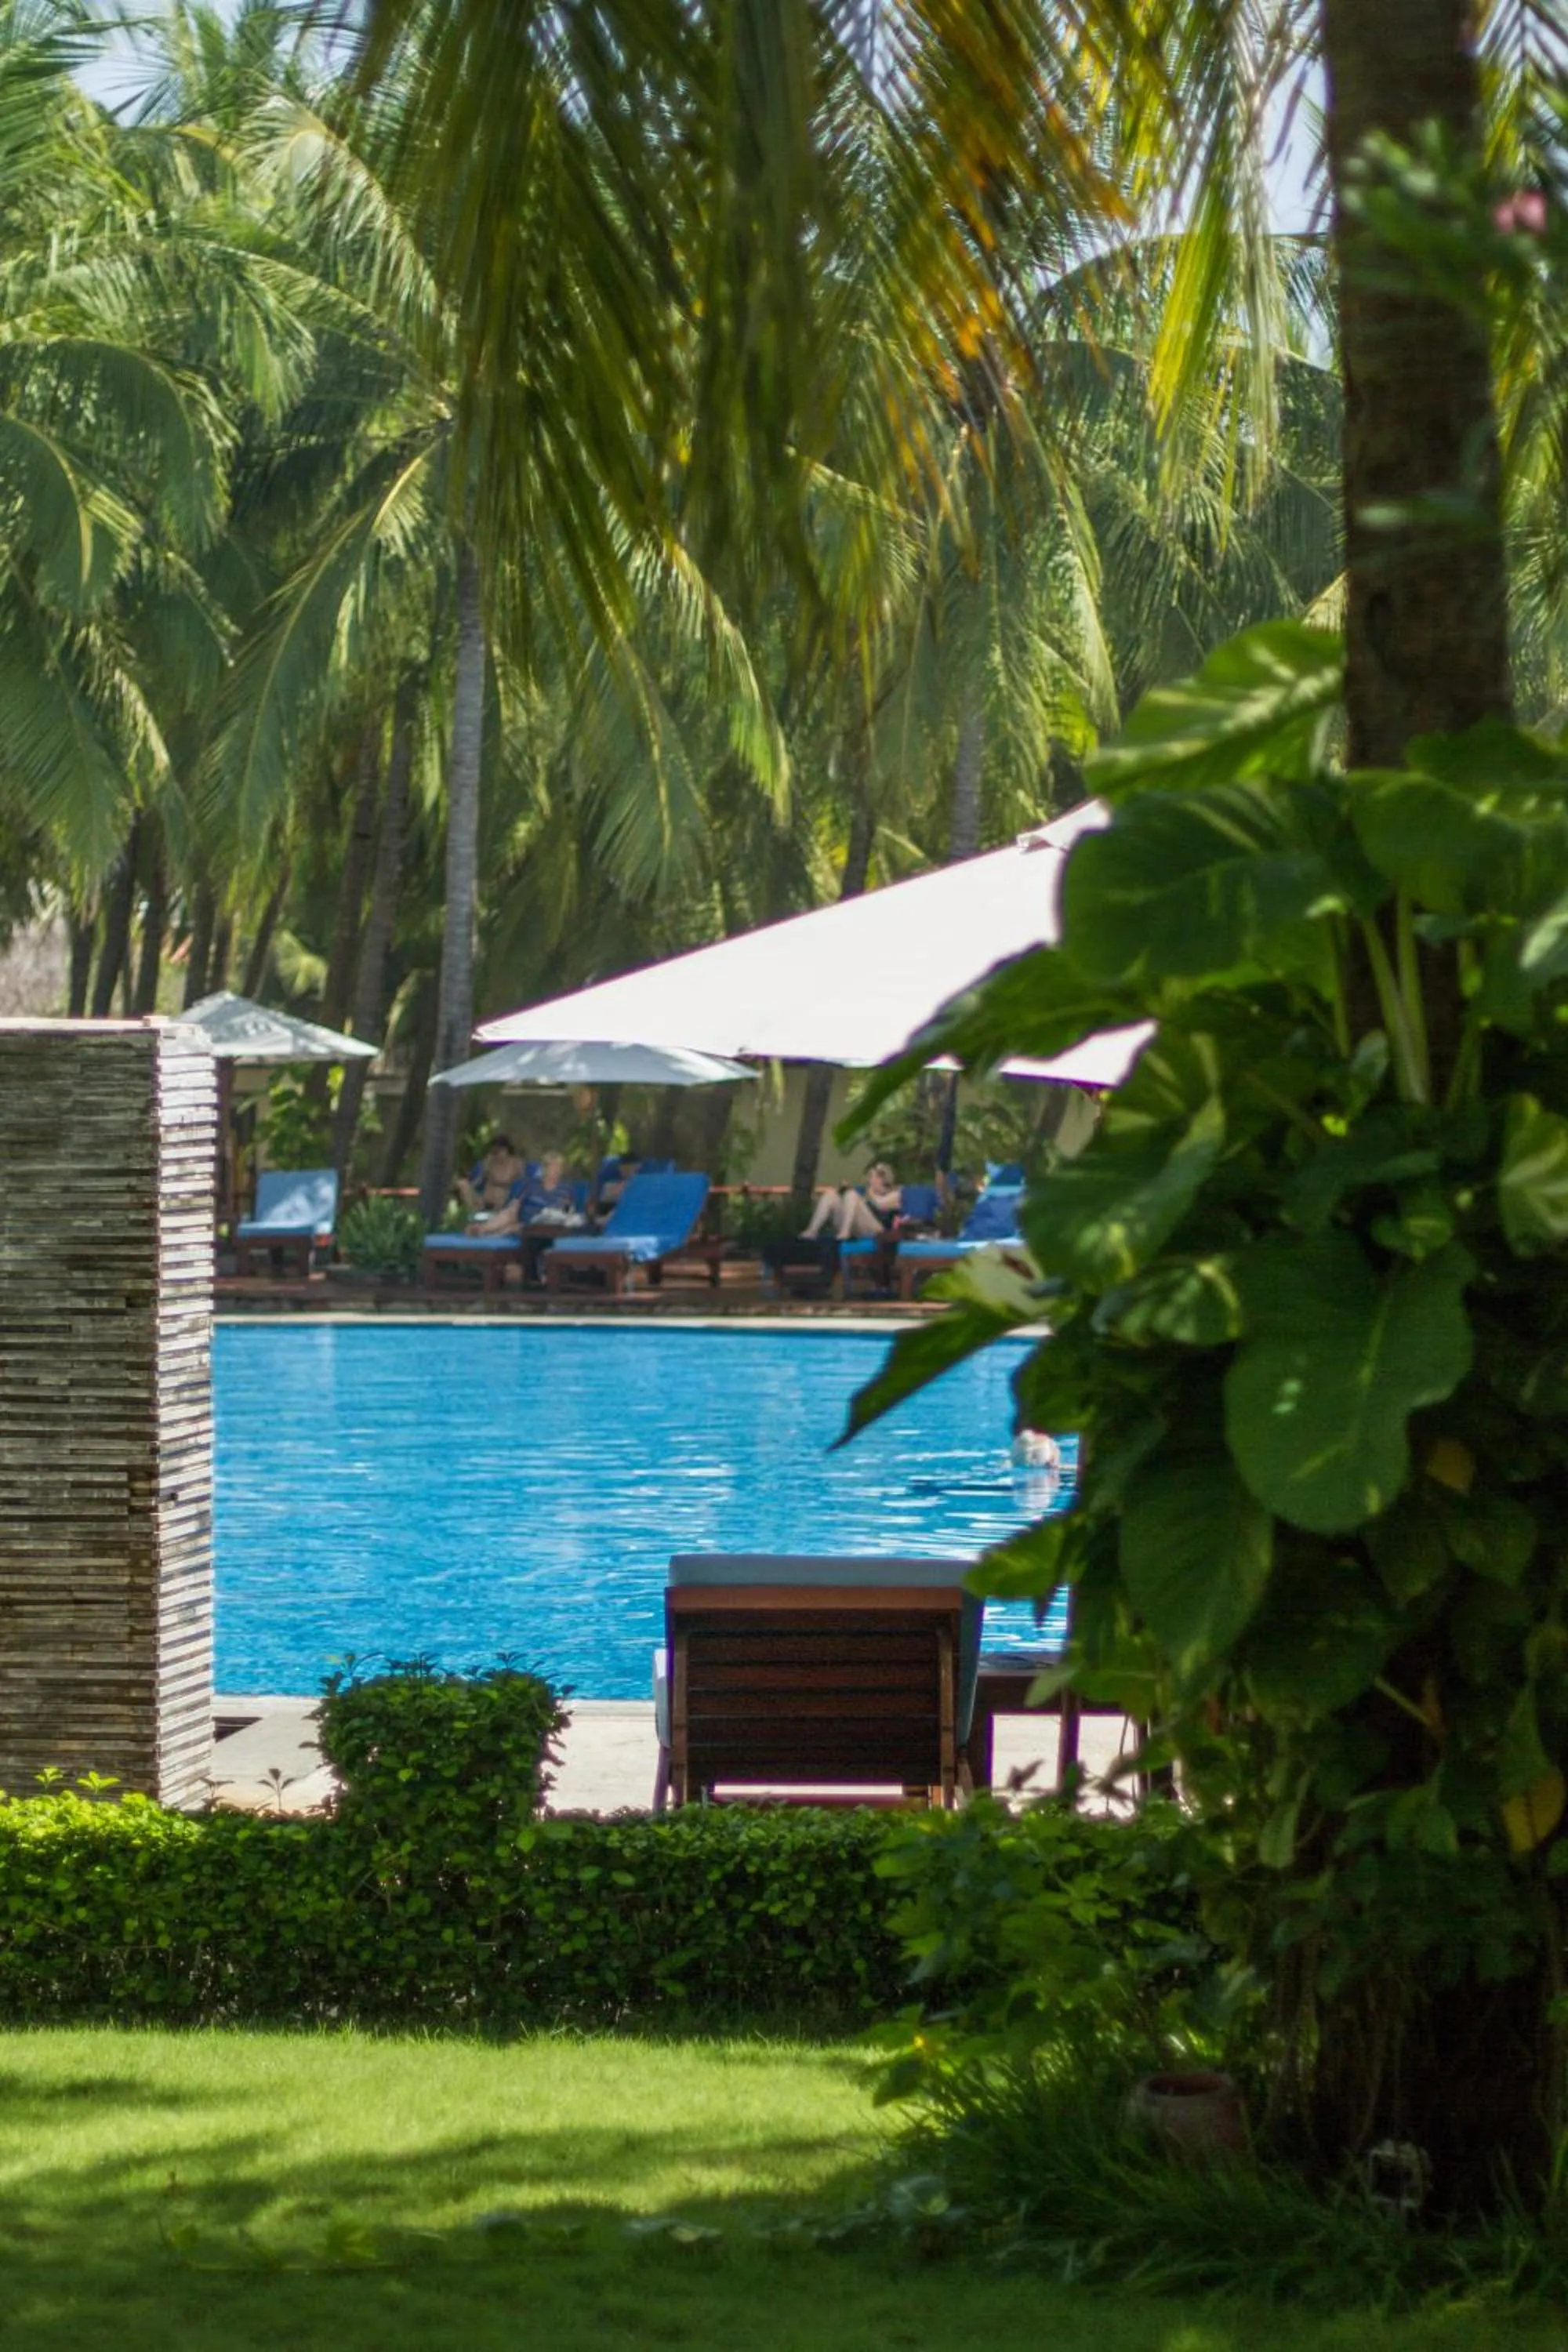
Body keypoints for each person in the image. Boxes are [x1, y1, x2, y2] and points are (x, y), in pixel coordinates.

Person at [801, 1162, 902, 1241]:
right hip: (856, 1228)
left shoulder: (895, 1194)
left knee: (852, 1195)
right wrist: (843, 1190)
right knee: (831, 1195)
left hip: (879, 1232)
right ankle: (812, 1231)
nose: (870, 1179)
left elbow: (880, 1204)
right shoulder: (867, 1193)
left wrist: (870, 1191)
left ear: (883, 1179)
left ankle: (845, 1233)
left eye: (873, 1176)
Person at [456, 1135, 527, 1219]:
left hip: (502, 1202)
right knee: (462, 1183)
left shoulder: (516, 1163)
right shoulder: (490, 1161)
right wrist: (485, 1170)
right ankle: (474, 1214)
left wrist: (502, 1184)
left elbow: (523, 1183)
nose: (495, 1156)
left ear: (505, 1150)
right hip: (484, 1201)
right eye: (493, 1152)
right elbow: (478, 1181)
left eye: (497, 1152)